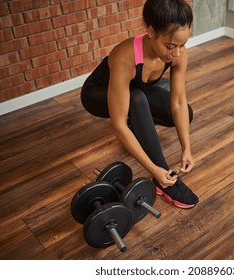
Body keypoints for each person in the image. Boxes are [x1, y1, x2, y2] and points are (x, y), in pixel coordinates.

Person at [80, 0, 199, 208]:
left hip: (136, 90)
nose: (177, 53)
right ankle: (165, 182)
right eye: (171, 46)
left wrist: (186, 148)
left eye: (183, 45)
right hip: (96, 94)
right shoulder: (125, 56)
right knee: (136, 98)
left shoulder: (177, 52)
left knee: (185, 114)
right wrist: (154, 170)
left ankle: (138, 123)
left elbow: (178, 102)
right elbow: (118, 125)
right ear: (151, 32)